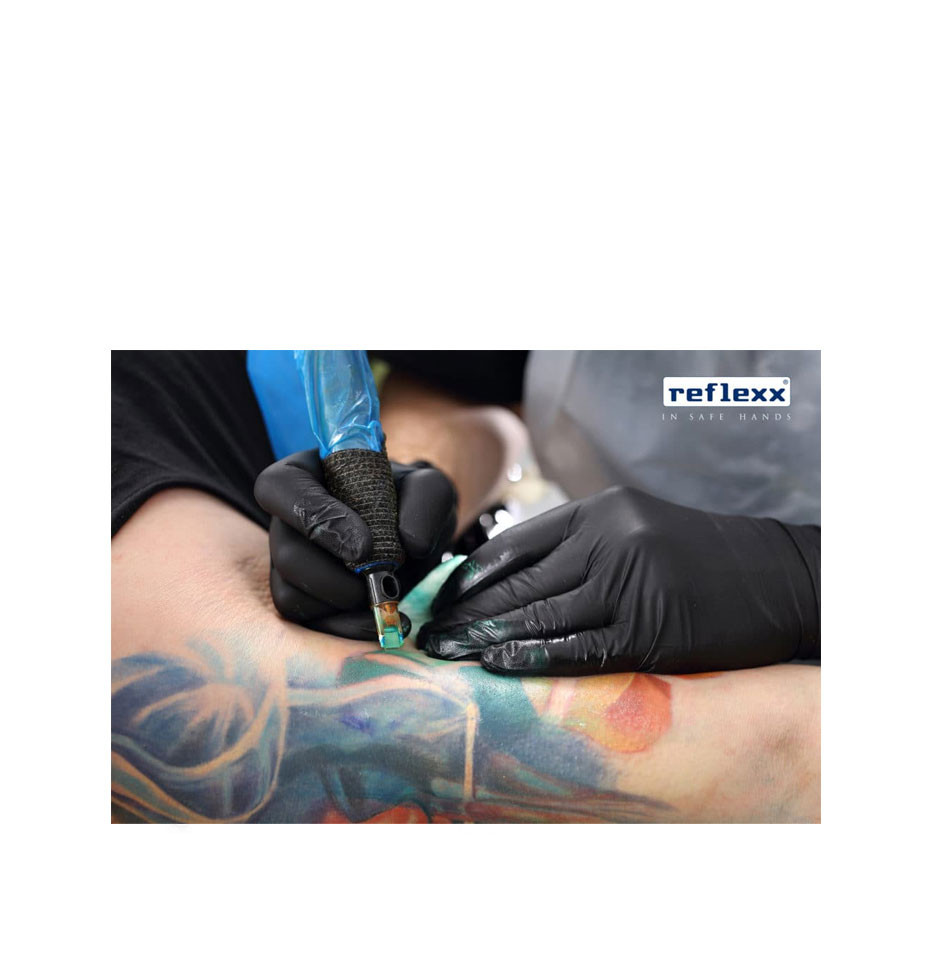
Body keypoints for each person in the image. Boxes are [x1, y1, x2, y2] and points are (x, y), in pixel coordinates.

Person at [111, 351, 819, 823]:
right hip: (622, 569)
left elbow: (794, 758)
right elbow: (463, 385)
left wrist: (808, 576)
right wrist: (412, 488)